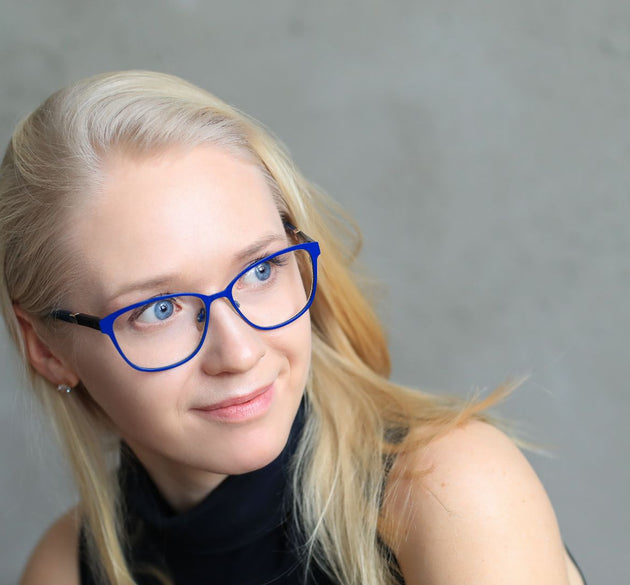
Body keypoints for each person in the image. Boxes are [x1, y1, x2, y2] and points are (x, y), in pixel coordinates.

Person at [0, 71, 585, 585]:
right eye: (159, 309)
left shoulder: (450, 490)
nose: (241, 351)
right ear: (47, 350)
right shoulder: (66, 571)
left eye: (260, 269)